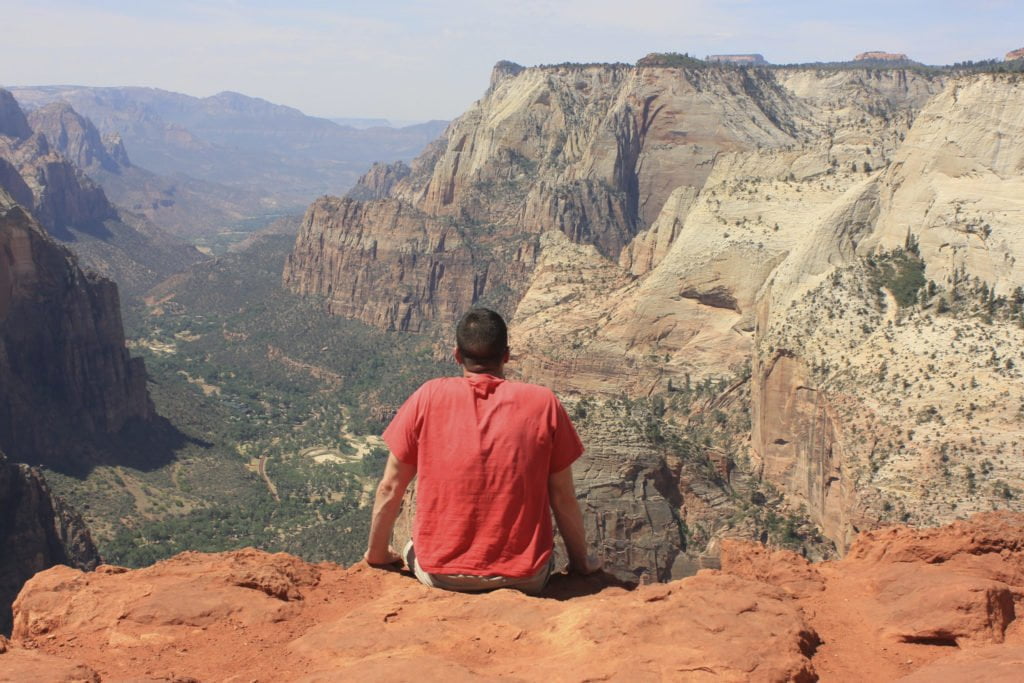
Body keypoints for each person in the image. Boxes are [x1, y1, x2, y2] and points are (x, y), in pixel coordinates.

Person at [363, 307, 600, 594]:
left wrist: (377, 555)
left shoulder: (428, 395)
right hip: (525, 578)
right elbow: (562, 497)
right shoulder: (544, 403)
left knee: (410, 545)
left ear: (457, 355)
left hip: (439, 574)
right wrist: (581, 564)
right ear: (506, 356)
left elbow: (390, 486)